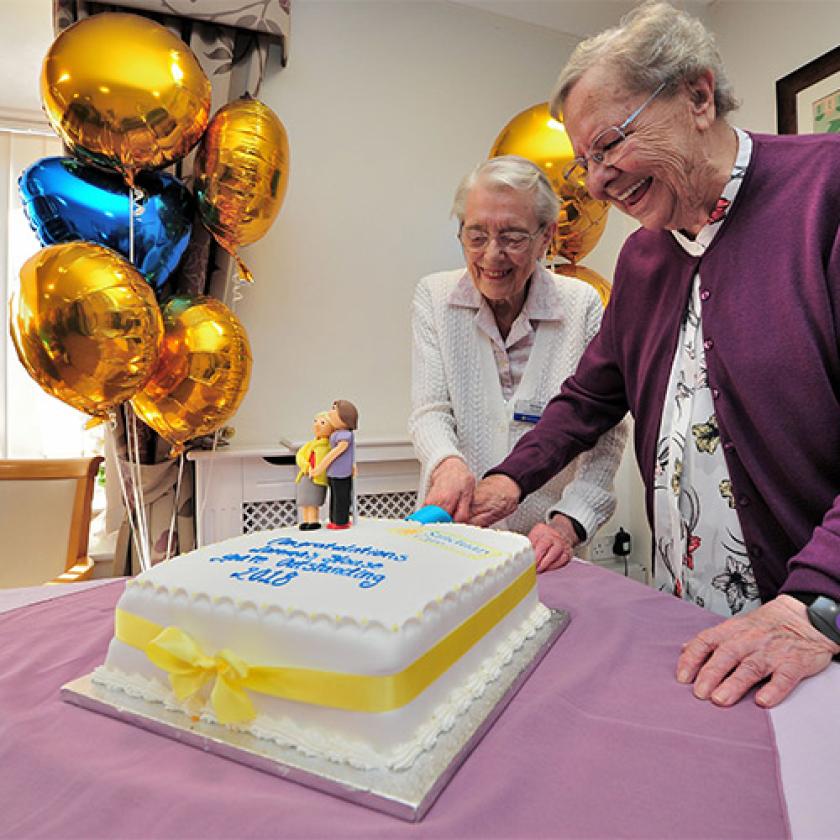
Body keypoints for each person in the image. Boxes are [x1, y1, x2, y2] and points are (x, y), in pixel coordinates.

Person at [469, 1, 840, 708]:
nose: (598, 180)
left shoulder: (828, 193)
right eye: (585, 163)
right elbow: (590, 398)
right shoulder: (643, 257)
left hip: (812, 630)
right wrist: (507, 483)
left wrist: (817, 604)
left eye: (609, 144)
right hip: (700, 623)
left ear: (697, 96)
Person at [410, 155, 626, 571]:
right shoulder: (434, 298)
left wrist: (569, 523)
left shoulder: (582, 305)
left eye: (511, 237)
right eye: (476, 236)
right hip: (454, 540)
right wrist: (447, 463)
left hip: (544, 548)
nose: (492, 255)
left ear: (546, 236)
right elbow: (429, 411)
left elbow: (607, 436)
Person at [312, 399, 358, 529]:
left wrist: (319, 468)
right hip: (334, 472)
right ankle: (334, 520)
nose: (329, 412)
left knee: (341, 498)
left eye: (334, 410)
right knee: (334, 497)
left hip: (341, 472)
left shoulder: (345, 435)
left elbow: (334, 453)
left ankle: (341, 521)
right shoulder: (337, 433)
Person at [294, 412, 333, 530]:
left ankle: (313, 520)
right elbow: (299, 456)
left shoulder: (330, 447)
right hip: (305, 476)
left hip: (318, 479)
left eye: (322, 423)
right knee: (305, 501)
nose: (317, 425)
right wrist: (306, 466)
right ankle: (306, 520)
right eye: (315, 421)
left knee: (313, 501)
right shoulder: (309, 445)